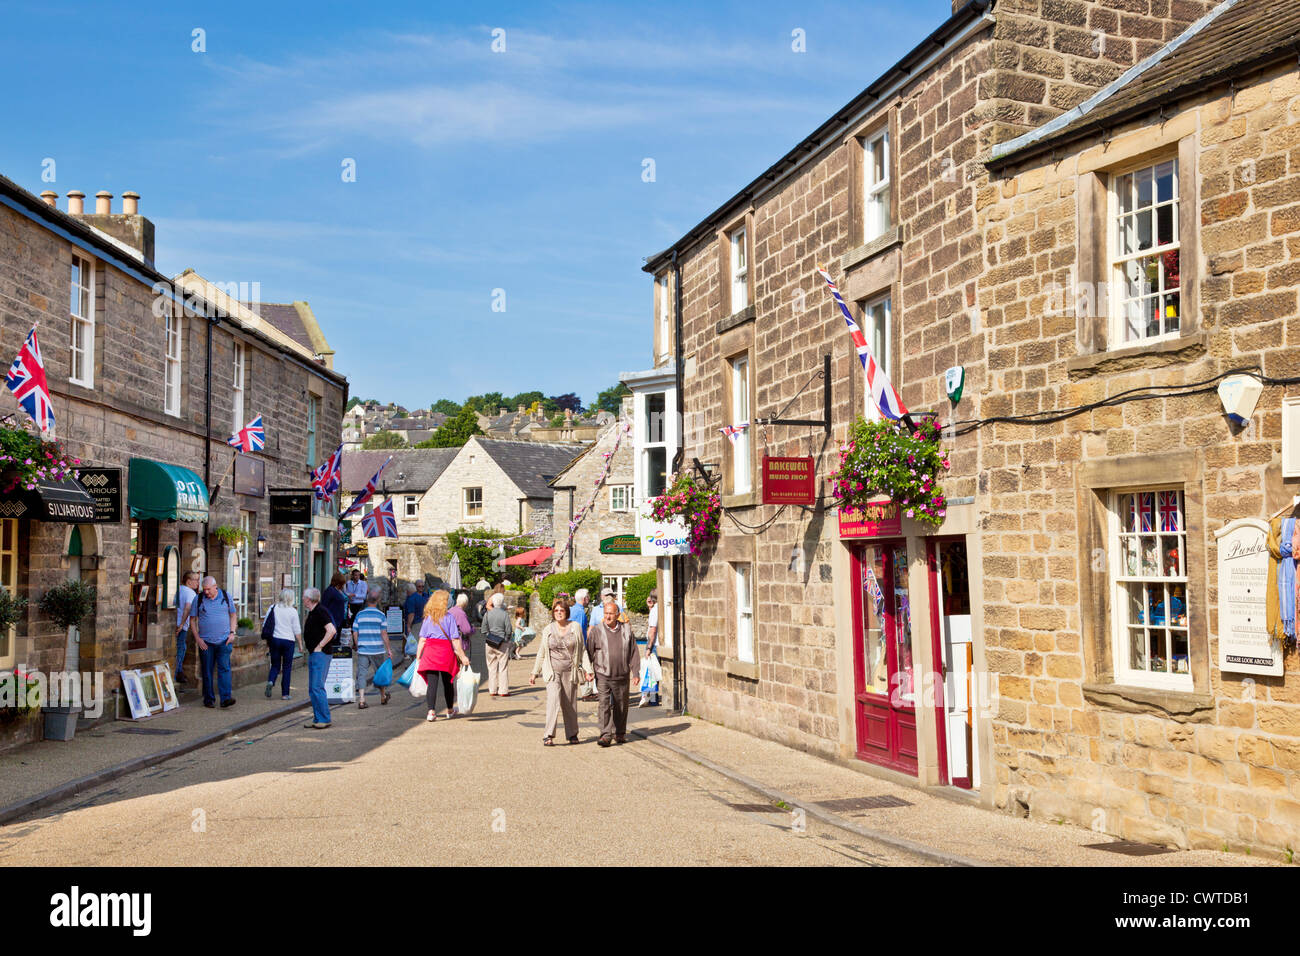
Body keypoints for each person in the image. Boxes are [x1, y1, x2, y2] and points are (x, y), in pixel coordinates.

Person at [529, 598, 593, 746]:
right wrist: (534, 672)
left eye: (561, 610)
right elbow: (542, 652)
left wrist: (588, 670)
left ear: (566, 612)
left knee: (569, 704)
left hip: (570, 671)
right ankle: (548, 735)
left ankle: (572, 734)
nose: (559, 613)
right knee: (553, 700)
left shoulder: (575, 627)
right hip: (552, 671)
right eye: (556, 611)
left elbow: (582, 650)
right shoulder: (548, 629)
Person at [586, 599, 639, 746]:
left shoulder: (627, 630)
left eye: (611, 613)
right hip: (602, 673)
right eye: (606, 613)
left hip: (622, 674)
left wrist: (636, 673)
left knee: (621, 705)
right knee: (604, 704)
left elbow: (634, 652)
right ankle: (605, 735)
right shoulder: (596, 631)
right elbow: (589, 652)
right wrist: (588, 670)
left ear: (617, 615)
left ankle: (620, 733)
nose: (608, 616)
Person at [417, 590, 470, 721]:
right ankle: (450, 710)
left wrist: (418, 657)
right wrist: (463, 657)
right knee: (448, 682)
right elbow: (455, 640)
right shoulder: (449, 617)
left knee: (432, 683)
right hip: (445, 652)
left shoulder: (428, 618)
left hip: (430, 652)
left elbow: (422, 639)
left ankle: (431, 712)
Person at [189, 575, 238, 709]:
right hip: (206, 642)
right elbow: (192, 620)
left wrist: (232, 632)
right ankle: (209, 699)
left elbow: (233, 615)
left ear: (215, 587)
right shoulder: (198, 599)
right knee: (207, 671)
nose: (206, 592)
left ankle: (225, 699)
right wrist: (197, 638)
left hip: (224, 641)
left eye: (208, 589)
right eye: (204, 589)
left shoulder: (226, 597)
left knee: (224, 669)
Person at [302, 587, 338, 729]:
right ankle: (317, 718)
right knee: (313, 688)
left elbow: (332, 630)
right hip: (315, 653)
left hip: (320, 654)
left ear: (309, 599)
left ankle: (324, 718)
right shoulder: (313, 612)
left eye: (304, 597)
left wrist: (320, 646)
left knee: (317, 687)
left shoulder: (320, 611)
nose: (303, 599)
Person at [352, 592, 392, 707]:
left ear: (367, 601)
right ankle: (383, 696)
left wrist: (357, 644)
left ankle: (362, 699)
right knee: (380, 674)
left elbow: (355, 632)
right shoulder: (381, 615)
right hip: (377, 650)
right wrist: (389, 649)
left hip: (363, 649)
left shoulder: (359, 615)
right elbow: (384, 633)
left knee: (362, 674)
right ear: (377, 601)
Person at [264, 588, 304, 700]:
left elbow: (266, 624)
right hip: (288, 641)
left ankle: (271, 681)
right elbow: (297, 629)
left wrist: (268, 642)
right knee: (287, 667)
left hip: (275, 640)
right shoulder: (293, 611)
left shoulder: (273, 608)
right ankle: (285, 693)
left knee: (275, 664)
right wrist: (300, 644)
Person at [481, 592, 513, 697]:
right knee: (503, 667)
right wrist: (506, 639)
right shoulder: (504, 614)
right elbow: (509, 630)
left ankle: (492, 690)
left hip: (490, 642)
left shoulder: (487, 614)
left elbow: (483, 629)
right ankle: (503, 691)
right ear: (502, 602)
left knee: (491, 667)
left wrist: (489, 637)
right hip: (502, 642)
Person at [174, 570, 199, 685]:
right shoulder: (190, 593)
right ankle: (177, 673)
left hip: (175, 623)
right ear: (189, 581)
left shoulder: (179, 589)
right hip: (181, 626)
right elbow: (188, 608)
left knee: (180, 647)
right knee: (181, 649)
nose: (198, 582)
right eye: (196, 580)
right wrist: (182, 624)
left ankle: (179, 672)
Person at [639, 589, 661, 708]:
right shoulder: (661, 608)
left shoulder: (655, 610)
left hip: (654, 644)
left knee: (651, 673)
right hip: (660, 643)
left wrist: (648, 648)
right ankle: (653, 698)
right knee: (654, 673)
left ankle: (652, 700)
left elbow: (652, 630)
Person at [402, 581, 429, 665]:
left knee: (413, 645)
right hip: (422, 622)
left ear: (408, 591)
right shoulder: (421, 598)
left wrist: (409, 626)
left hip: (415, 624)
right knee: (420, 644)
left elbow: (411, 614)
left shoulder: (411, 599)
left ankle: (415, 664)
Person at [448, 592, 475, 659]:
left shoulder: (450, 610)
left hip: (449, 641)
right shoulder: (461, 613)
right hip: (458, 642)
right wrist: (473, 629)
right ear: (465, 603)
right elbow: (467, 630)